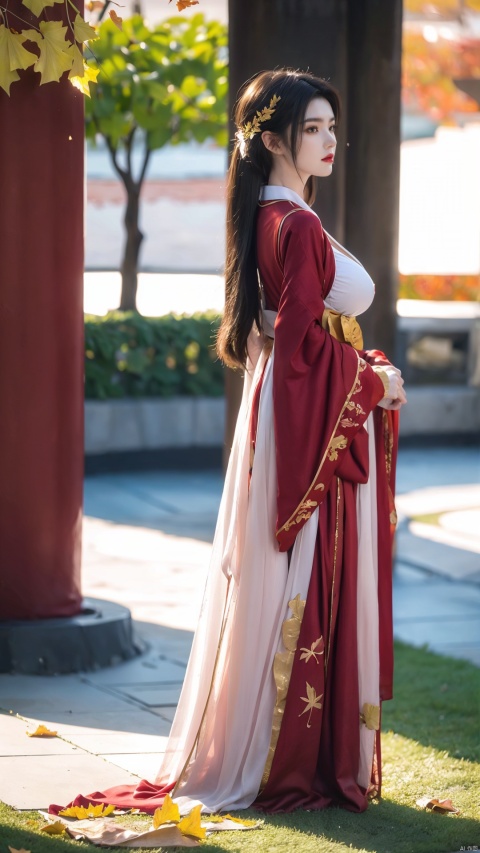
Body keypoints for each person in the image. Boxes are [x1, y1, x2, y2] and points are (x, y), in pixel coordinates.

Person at [51, 68, 406, 818]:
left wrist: (342, 360)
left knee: (279, 577)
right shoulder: (298, 225)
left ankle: (262, 743)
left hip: (278, 412)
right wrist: (374, 383)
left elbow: (283, 338)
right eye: (313, 128)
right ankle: (292, 758)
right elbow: (308, 349)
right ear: (273, 139)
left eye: (331, 127)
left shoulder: (265, 217)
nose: (330, 140)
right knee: (302, 571)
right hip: (301, 411)